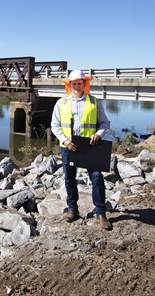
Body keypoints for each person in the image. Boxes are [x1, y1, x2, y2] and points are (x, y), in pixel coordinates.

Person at [51, 69, 112, 230]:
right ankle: (72, 209)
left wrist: (99, 134)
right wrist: (64, 140)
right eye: (74, 83)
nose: (77, 86)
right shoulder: (61, 103)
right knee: (69, 178)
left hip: (90, 147)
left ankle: (100, 212)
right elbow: (55, 125)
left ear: (84, 84)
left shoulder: (94, 102)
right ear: (69, 85)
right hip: (69, 147)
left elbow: (105, 123)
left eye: (79, 83)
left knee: (97, 177)